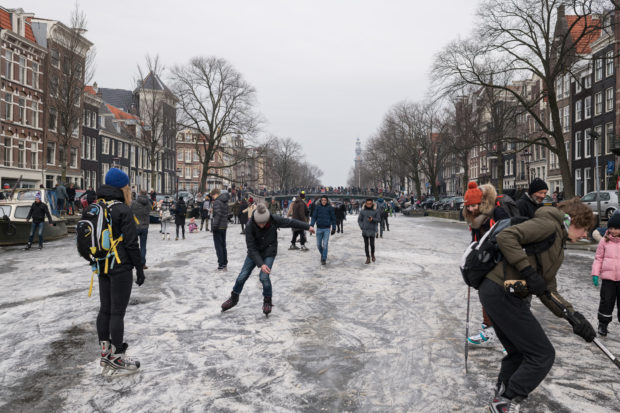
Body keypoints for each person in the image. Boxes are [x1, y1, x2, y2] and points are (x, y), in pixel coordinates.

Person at [481, 197, 596, 412]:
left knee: (519, 352)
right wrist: (527, 271)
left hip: (500, 293)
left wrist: (574, 317)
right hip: (501, 291)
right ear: (575, 221)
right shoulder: (549, 224)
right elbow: (507, 237)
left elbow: (547, 290)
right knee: (542, 354)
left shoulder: (558, 243)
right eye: (585, 229)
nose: (585, 235)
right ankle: (504, 400)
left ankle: (501, 394)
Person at [220, 203, 315, 315]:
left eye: (264, 223)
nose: (261, 225)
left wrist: (307, 226)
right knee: (242, 276)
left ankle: (267, 301)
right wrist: (261, 264)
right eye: (259, 223)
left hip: (269, 251)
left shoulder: (273, 219)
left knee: (264, 277)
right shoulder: (250, 225)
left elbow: (291, 222)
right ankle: (234, 298)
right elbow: (251, 248)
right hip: (254, 253)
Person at [95, 168, 144, 375]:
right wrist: (139, 269)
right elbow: (132, 244)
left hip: (101, 266)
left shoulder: (97, 206)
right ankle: (117, 357)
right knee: (117, 312)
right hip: (121, 266)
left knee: (105, 309)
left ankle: (105, 353)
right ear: (122, 187)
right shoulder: (123, 210)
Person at [463, 182, 506, 346]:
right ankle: (489, 330)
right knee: (484, 294)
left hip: (498, 261)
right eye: (469, 207)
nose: (472, 209)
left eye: (474, 205)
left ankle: (508, 338)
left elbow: (508, 234)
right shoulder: (474, 218)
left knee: (499, 298)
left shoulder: (497, 212)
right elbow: (475, 241)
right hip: (484, 261)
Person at [591, 213, 620, 337]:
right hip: (608, 279)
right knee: (606, 302)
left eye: (615, 228)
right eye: (610, 228)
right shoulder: (604, 240)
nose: (612, 231)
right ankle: (603, 324)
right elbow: (598, 258)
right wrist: (595, 274)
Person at [310, 195, 337, 265]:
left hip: (327, 229)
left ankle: (323, 258)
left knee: (325, 244)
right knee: (318, 245)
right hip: (319, 228)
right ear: (321, 201)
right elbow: (314, 217)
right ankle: (323, 254)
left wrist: (334, 228)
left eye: (325, 200)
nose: (324, 201)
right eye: (322, 200)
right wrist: (311, 225)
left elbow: (333, 218)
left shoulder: (330, 208)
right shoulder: (317, 208)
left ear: (327, 201)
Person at [131, 189, 151, 269]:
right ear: (146, 194)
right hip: (145, 227)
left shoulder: (134, 203)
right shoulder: (148, 204)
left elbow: (129, 211)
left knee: (134, 246)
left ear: (139, 193)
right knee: (143, 246)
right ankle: (142, 263)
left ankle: (134, 262)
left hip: (136, 226)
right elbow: (150, 210)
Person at [211, 188, 230, 270]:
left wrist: (214, 226)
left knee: (218, 246)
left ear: (215, 194)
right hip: (224, 226)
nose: (212, 197)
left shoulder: (217, 202)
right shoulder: (224, 201)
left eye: (212, 195)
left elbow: (218, 215)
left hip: (218, 226)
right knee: (223, 245)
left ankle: (221, 263)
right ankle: (225, 262)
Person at [358, 198, 379, 264]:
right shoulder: (362, 211)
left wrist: (373, 219)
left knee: (372, 244)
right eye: (367, 203)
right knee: (366, 245)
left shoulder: (375, 211)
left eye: (370, 204)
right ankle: (368, 258)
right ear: (365, 203)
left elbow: (379, 219)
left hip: (372, 229)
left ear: (372, 203)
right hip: (365, 229)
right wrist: (362, 226)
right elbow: (359, 220)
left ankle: (372, 255)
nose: (369, 205)